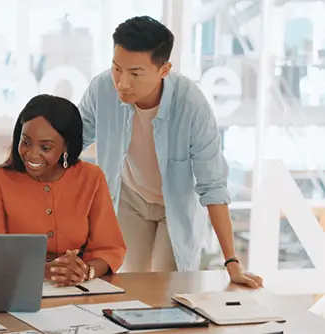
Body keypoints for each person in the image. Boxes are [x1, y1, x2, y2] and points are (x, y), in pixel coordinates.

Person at [79, 15, 262, 288]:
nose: (122, 83)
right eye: (117, 68)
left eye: (135, 73)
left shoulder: (192, 104)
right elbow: (73, 142)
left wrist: (232, 262)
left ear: (164, 69)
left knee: (170, 289)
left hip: (174, 206)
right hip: (129, 196)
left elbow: (212, 186)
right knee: (125, 285)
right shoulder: (102, 88)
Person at [0, 95, 126, 287]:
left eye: (45, 147)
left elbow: (109, 248)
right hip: (14, 286)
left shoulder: (91, 177)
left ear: (66, 146)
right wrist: (42, 270)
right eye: (26, 142)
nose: (31, 154)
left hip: (79, 290)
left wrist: (85, 271)